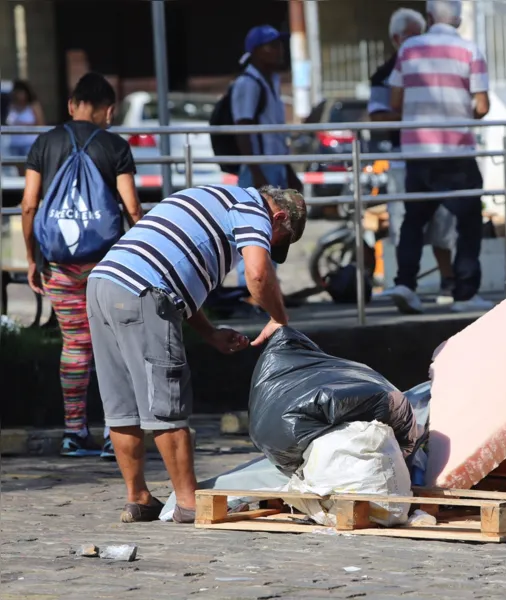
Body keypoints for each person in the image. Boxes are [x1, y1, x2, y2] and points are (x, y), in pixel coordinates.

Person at [87, 184, 306, 524]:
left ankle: (139, 498)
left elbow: (177, 283)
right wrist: (279, 318)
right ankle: (189, 503)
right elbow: (258, 274)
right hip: (144, 290)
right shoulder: (251, 208)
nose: (265, 243)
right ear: (278, 217)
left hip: (103, 283)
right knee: (166, 400)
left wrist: (209, 333)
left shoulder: (213, 197)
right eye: (275, 239)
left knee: (122, 404)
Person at [20, 72, 143, 458]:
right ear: (109, 110)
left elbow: (28, 204)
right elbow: (133, 208)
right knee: (115, 346)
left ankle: (74, 432)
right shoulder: (115, 146)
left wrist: (31, 257)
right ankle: (115, 435)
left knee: (75, 344)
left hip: (58, 263)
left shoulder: (45, 142)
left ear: (72, 106)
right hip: (107, 265)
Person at [384, 0, 494, 314]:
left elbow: (394, 100)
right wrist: (462, 113)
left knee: (414, 221)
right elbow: (483, 107)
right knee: (468, 221)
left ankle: (406, 283)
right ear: (458, 20)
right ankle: (465, 293)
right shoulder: (470, 50)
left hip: (418, 152)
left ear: (429, 17)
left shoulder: (408, 50)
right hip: (457, 152)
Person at [368, 8, 456, 306]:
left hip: (438, 154)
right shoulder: (383, 74)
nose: (419, 41)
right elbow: (377, 116)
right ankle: (407, 286)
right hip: (404, 158)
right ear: (396, 38)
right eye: (412, 35)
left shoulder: (435, 65)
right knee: (407, 223)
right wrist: (414, 112)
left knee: (443, 222)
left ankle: (448, 283)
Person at [231, 25, 303, 290]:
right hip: (259, 170)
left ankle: (268, 287)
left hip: (274, 167)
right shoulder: (247, 83)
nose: (278, 50)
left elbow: (274, 132)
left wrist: (288, 170)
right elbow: (243, 129)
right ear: (256, 51)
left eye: (279, 45)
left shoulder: (270, 81)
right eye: (271, 45)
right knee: (253, 229)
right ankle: (249, 289)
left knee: (276, 230)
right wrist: (256, 169)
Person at [6, 80, 46, 175]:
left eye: (21, 92)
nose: (19, 95)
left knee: (30, 170)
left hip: (29, 144)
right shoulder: (11, 106)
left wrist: (23, 125)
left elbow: (41, 124)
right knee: (17, 172)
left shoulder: (33, 106)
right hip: (14, 144)